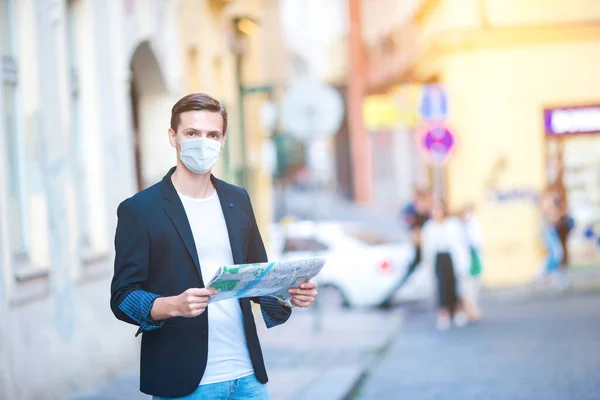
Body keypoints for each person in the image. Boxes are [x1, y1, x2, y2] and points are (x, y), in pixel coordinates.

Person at [110, 93, 318, 400]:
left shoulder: (237, 199)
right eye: (192, 133)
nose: (202, 142)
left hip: (248, 377)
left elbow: (257, 277)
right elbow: (123, 297)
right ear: (173, 137)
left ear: (222, 141)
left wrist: (289, 293)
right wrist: (172, 306)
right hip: (183, 381)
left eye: (212, 134)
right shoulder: (140, 210)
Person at [421, 199, 470, 331]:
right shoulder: (429, 227)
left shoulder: (452, 225)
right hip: (438, 258)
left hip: (451, 257)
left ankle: (458, 311)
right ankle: (444, 314)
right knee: (442, 286)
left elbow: (460, 243)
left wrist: (463, 262)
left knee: (455, 285)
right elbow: (427, 248)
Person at [458, 204, 484, 322]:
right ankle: (469, 311)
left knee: (474, 287)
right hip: (465, 261)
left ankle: (473, 310)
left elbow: (477, 241)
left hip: (474, 259)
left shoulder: (473, 224)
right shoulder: (457, 226)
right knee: (466, 288)